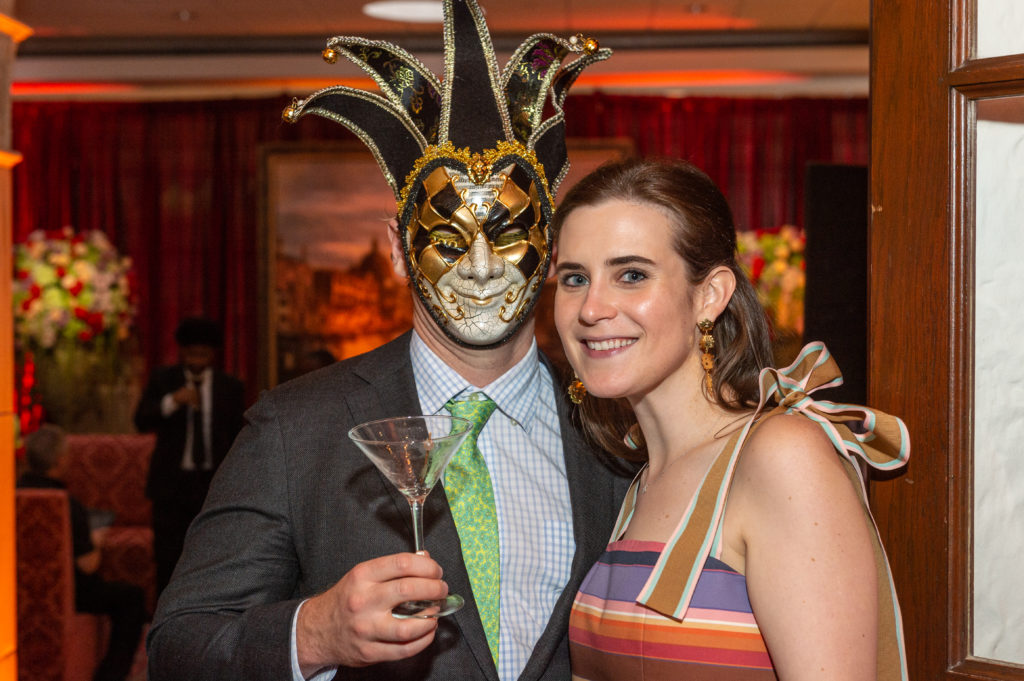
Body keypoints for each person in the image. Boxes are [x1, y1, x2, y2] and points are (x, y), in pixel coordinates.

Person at [146, 2, 631, 680]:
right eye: (447, 239)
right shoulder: (295, 428)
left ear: (550, 253)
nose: (484, 267)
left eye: (513, 235)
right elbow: (177, 646)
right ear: (399, 252)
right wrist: (312, 633)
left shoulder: (617, 428)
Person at [551, 158, 911, 681]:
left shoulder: (781, 455)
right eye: (574, 278)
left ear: (710, 294)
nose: (591, 308)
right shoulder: (641, 479)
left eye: (632, 275)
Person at [18, 424, 147, 681]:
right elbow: (88, 565)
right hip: (69, 591)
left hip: (17, 589)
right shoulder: (66, 504)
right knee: (132, 597)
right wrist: (96, 540)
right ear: (60, 459)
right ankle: (110, 675)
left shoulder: (12, 495)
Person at [133, 316, 245, 596]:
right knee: (167, 558)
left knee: (213, 554)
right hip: (171, 485)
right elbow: (141, 420)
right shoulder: (163, 379)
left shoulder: (229, 386)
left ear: (212, 354)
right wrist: (172, 401)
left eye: (203, 354)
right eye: (192, 353)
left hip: (212, 484)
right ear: (181, 352)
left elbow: (238, 435)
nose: (197, 359)